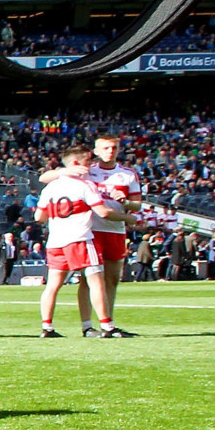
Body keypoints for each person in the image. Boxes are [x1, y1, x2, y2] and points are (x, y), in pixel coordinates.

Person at [39, 131, 140, 334]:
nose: (110, 152)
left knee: (111, 279)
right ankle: (91, 325)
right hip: (91, 229)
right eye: (105, 148)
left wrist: (125, 201)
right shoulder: (85, 169)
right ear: (96, 151)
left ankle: (107, 321)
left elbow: (136, 205)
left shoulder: (127, 174)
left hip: (114, 230)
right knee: (89, 279)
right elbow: (44, 177)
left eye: (114, 148)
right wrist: (62, 172)